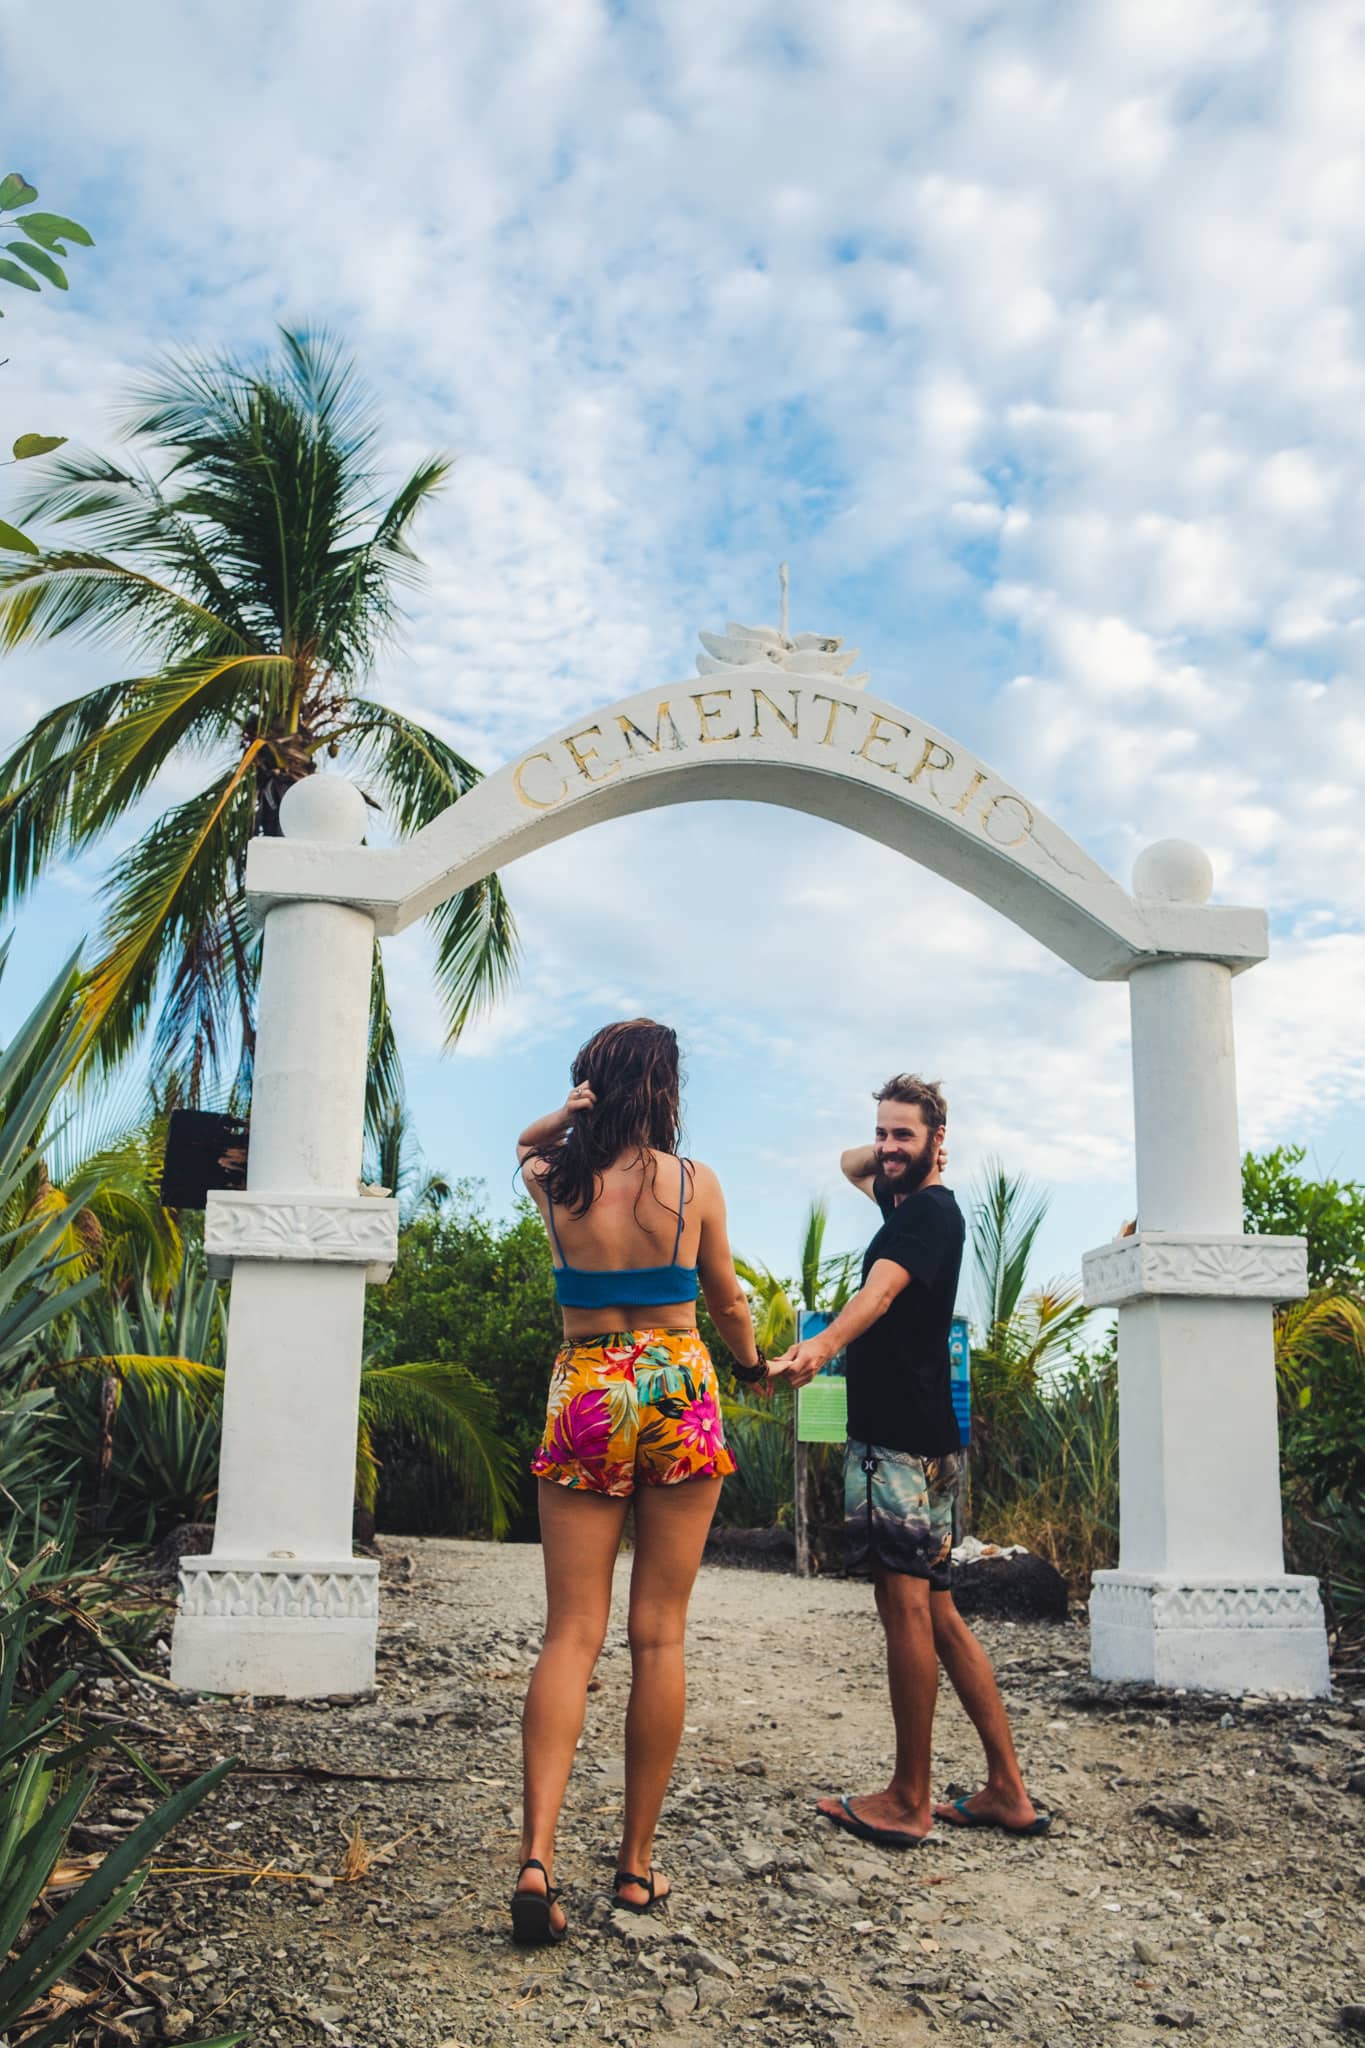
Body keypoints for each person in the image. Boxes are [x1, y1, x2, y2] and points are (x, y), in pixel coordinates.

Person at [510, 1019, 766, 1944]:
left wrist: (566, 1115)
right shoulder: (693, 1182)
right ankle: (633, 1869)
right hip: (675, 1380)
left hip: (586, 1382)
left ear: (590, 1083)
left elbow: (526, 1146)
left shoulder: (555, 1181)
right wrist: (751, 1363)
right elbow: (728, 1298)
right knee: (657, 1637)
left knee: (570, 1634)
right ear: (666, 1088)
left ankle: (537, 1856)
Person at [769, 1074, 1047, 1848]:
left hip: (892, 1440)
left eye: (904, 1135)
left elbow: (882, 1293)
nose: (886, 1148)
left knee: (904, 1617)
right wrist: (895, 1147)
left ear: (938, 1143)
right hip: (931, 1437)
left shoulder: (925, 1213)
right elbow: (849, 1163)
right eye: (883, 1133)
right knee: (938, 1612)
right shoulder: (908, 1198)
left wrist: (822, 1344)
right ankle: (1006, 1791)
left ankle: (908, 1798)